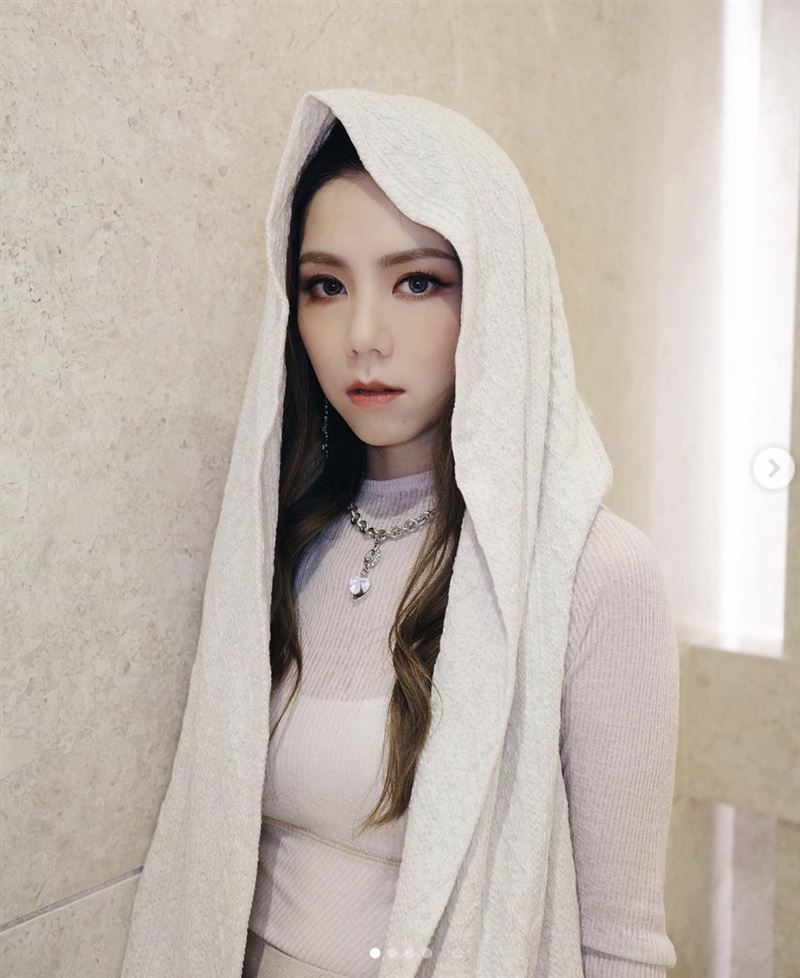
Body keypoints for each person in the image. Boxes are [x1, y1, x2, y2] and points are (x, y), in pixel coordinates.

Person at [120, 89, 680, 978]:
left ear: (497, 297)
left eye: (417, 281)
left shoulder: (593, 571)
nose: (363, 337)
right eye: (326, 286)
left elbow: (619, 944)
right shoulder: (278, 543)